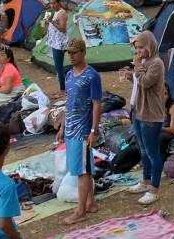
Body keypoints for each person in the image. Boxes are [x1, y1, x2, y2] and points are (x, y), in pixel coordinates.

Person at [59, 38, 102, 225]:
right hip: (70, 129)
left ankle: (81, 210)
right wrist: (62, 125)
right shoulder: (69, 75)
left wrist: (93, 130)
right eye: (69, 53)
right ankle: (90, 203)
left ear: (84, 52)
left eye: (74, 52)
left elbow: (97, 104)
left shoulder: (92, 76)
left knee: (82, 171)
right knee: (84, 168)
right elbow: (68, 102)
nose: (71, 56)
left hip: (83, 131)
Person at [126, 31, 166, 206]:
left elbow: (146, 82)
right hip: (138, 111)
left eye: (141, 47)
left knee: (152, 153)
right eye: (136, 48)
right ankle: (145, 181)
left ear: (149, 46)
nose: (138, 51)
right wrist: (131, 76)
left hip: (151, 114)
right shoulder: (143, 62)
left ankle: (154, 190)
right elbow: (139, 86)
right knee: (143, 150)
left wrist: (137, 68)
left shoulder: (156, 63)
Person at [44, 0, 69, 96]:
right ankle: (62, 89)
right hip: (55, 43)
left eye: (54, 3)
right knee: (58, 67)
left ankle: (62, 90)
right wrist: (47, 23)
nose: (52, 5)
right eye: (51, 3)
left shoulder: (61, 13)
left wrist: (52, 21)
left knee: (59, 68)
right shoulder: (55, 13)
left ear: (59, 2)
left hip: (59, 44)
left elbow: (63, 29)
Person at [159, 83, 174, 159]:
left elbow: (173, 130)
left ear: (168, 95)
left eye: (165, 93)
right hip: (161, 130)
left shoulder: (173, 107)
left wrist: (157, 128)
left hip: (171, 132)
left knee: (162, 137)